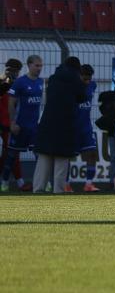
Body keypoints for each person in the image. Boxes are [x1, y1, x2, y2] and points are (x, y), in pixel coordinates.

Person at [32, 56, 87, 194]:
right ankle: (58, 190)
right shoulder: (75, 79)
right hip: (65, 123)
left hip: (48, 122)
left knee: (44, 156)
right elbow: (82, 97)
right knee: (61, 159)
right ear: (77, 68)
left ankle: (38, 188)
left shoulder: (53, 78)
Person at [4, 55, 43, 189]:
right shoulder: (20, 82)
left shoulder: (41, 82)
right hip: (19, 126)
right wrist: (12, 123)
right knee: (11, 155)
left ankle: (42, 183)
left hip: (34, 127)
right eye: (37, 65)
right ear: (29, 65)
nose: (39, 68)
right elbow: (11, 104)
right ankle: (4, 183)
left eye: (41, 66)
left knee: (39, 155)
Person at [0, 58, 27, 191]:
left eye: (14, 71)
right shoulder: (1, 82)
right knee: (10, 153)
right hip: (4, 123)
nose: (12, 73)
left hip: (9, 124)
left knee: (10, 153)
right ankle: (19, 182)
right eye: (9, 70)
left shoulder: (20, 85)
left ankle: (19, 181)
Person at [76, 64, 102, 192]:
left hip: (86, 126)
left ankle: (88, 183)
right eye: (85, 78)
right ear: (79, 76)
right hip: (73, 127)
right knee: (68, 156)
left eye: (89, 78)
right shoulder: (72, 86)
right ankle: (65, 183)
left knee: (92, 154)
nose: (87, 81)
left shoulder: (93, 85)